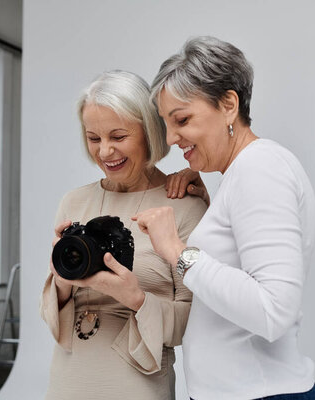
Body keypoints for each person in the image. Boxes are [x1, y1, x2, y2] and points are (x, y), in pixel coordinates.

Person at [133, 36, 315, 400]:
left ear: (228, 104)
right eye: (166, 124)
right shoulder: (243, 173)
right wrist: (212, 205)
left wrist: (177, 250)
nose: (171, 138)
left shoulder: (260, 169)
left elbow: (272, 311)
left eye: (182, 120)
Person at [40, 70, 207, 400]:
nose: (104, 152)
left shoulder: (184, 207)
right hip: (68, 378)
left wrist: (136, 298)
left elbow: (194, 322)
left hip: (137, 383)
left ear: (149, 132)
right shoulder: (74, 202)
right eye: (94, 138)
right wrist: (61, 277)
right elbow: (52, 312)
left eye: (118, 137)